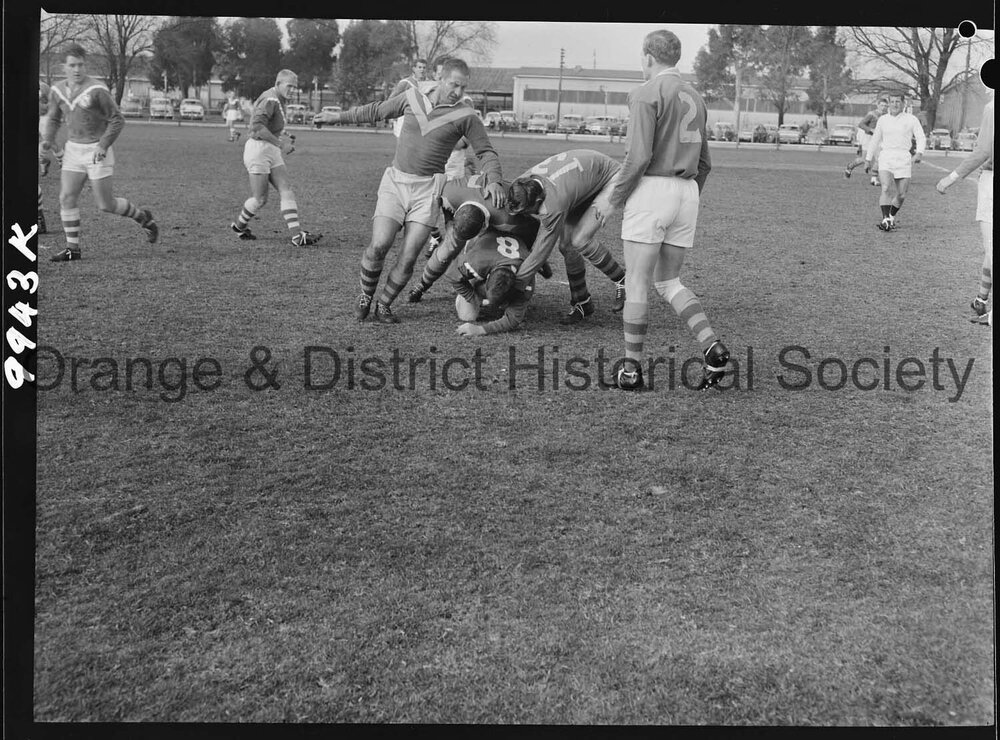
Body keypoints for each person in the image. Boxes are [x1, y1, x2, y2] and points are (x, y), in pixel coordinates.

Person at [313, 57, 505, 324]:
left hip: (427, 190)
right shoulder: (412, 97)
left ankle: (384, 305)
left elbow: (486, 151)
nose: (458, 91)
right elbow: (377, 111)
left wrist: (494, 179)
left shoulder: (466, 115)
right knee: (379, 245)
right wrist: (336, 117)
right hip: (396, 182)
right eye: (454, 84)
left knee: (408, 257)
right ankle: (365, 296)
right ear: (440, 78)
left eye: (463, 87)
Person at [591, 29, 729, 392]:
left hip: (653, 189)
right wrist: (684, 200)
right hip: (687, 192)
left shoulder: (645, 93)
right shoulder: (696, 96)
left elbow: (637, 158)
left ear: (648, 57)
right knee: (668, 282)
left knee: (637, 282)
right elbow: (706, 163)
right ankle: (712, 347)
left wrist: (611, 200)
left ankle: (630, 372)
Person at [39, 43, 158, 262]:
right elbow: (54, 118)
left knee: (106, 205)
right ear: (63, 66)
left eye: (80, 65)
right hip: (73, 150)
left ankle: (143, 218)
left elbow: (117, 119)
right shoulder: (57, 90)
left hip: (96, 150)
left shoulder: (97, 90)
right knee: (66, 197)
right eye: (72, 65)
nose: (77, 69)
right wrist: (48, 139)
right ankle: (72, 249)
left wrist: (103, 145)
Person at [506, 149, 628, 324]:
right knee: (567, 247)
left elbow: (541, 252)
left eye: (527, 210)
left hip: (612, 177)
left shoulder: (553, 204)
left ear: (538, 201)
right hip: (583, 178)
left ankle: (624, 281)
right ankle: (582, 302)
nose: (526, 214)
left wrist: (517, 285)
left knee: (580, 240)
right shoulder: (521, 183)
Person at [408, 174, 551, 302]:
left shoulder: (508, 219)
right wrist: (450, 224)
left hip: (498, 210)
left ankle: (494, 283)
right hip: (473, 204)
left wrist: (529, 253)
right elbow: (446, 205)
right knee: (448, 248)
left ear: (484, 226)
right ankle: (422, 284)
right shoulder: (449, 193)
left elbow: (533, 225)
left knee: (491, 253)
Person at [229, 69, 322, 247]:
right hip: (258, 151)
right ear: (278, 83)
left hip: (269, 149)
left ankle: (297, 236)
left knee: (286, 189)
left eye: (295, 87)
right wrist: (281, 144)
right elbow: (257, 127)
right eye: (289, 86)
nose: (292, 90)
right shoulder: (270, 99)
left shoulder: (277, 99)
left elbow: (270, 124)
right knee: (260, 199)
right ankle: (239, 226)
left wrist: (283, 133)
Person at [936, 93, 994, 327]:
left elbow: (983, 151)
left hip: (992, 180)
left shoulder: (992, 107)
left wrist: (951, 177)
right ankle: (981, 298)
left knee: (991, 249)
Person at [445, 204, 537, 336]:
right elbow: (451, 274)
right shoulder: (478, 260)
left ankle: (494, 297)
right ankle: (474, 285)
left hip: (505, 252)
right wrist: (473, 298)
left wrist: (480, 330)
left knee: (500, 303)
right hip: (484, 243)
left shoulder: (526, 282)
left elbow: (513, 320)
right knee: (467, 316)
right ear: (486, 277)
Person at [865, 93, 926, 231]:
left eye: (898, 101)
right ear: (889, 103)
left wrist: (919, 153)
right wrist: (868, 159)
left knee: (901, 194)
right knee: (885, 187)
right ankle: (885, 219)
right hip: (886, 156)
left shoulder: (911, 119)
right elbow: (875, 140)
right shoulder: (883, 120)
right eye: (892, 101)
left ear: (903, 103)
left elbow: (921, 137)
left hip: (903, 157)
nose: (894, 104)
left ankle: (891, 216)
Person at [844, 97, 888, 186]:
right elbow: (861, 124)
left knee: (880, 158)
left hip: (878, 139)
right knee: (864, 159)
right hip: (868, 138)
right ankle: (850, 166)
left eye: (885, 106)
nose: (883, 108)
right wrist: (871, 130)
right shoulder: (872, 114)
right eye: (882, 105)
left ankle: (874, 179)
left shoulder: (887, 116)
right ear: (877, 105)